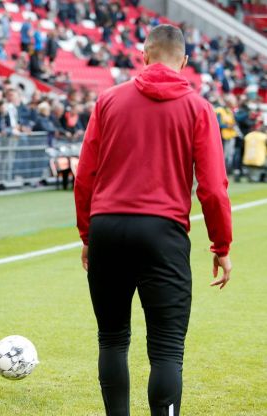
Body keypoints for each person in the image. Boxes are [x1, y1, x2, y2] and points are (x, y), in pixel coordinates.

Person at [74, 24, 232, 416]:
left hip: (108, 226)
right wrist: (221, 246)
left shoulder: (108, 100)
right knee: (166, 347)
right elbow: (212, 187)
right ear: (185, 61)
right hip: (163, 232)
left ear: (144, 55)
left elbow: (84, 177)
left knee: (112, 339)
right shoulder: (198, 107)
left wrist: (88, 235)